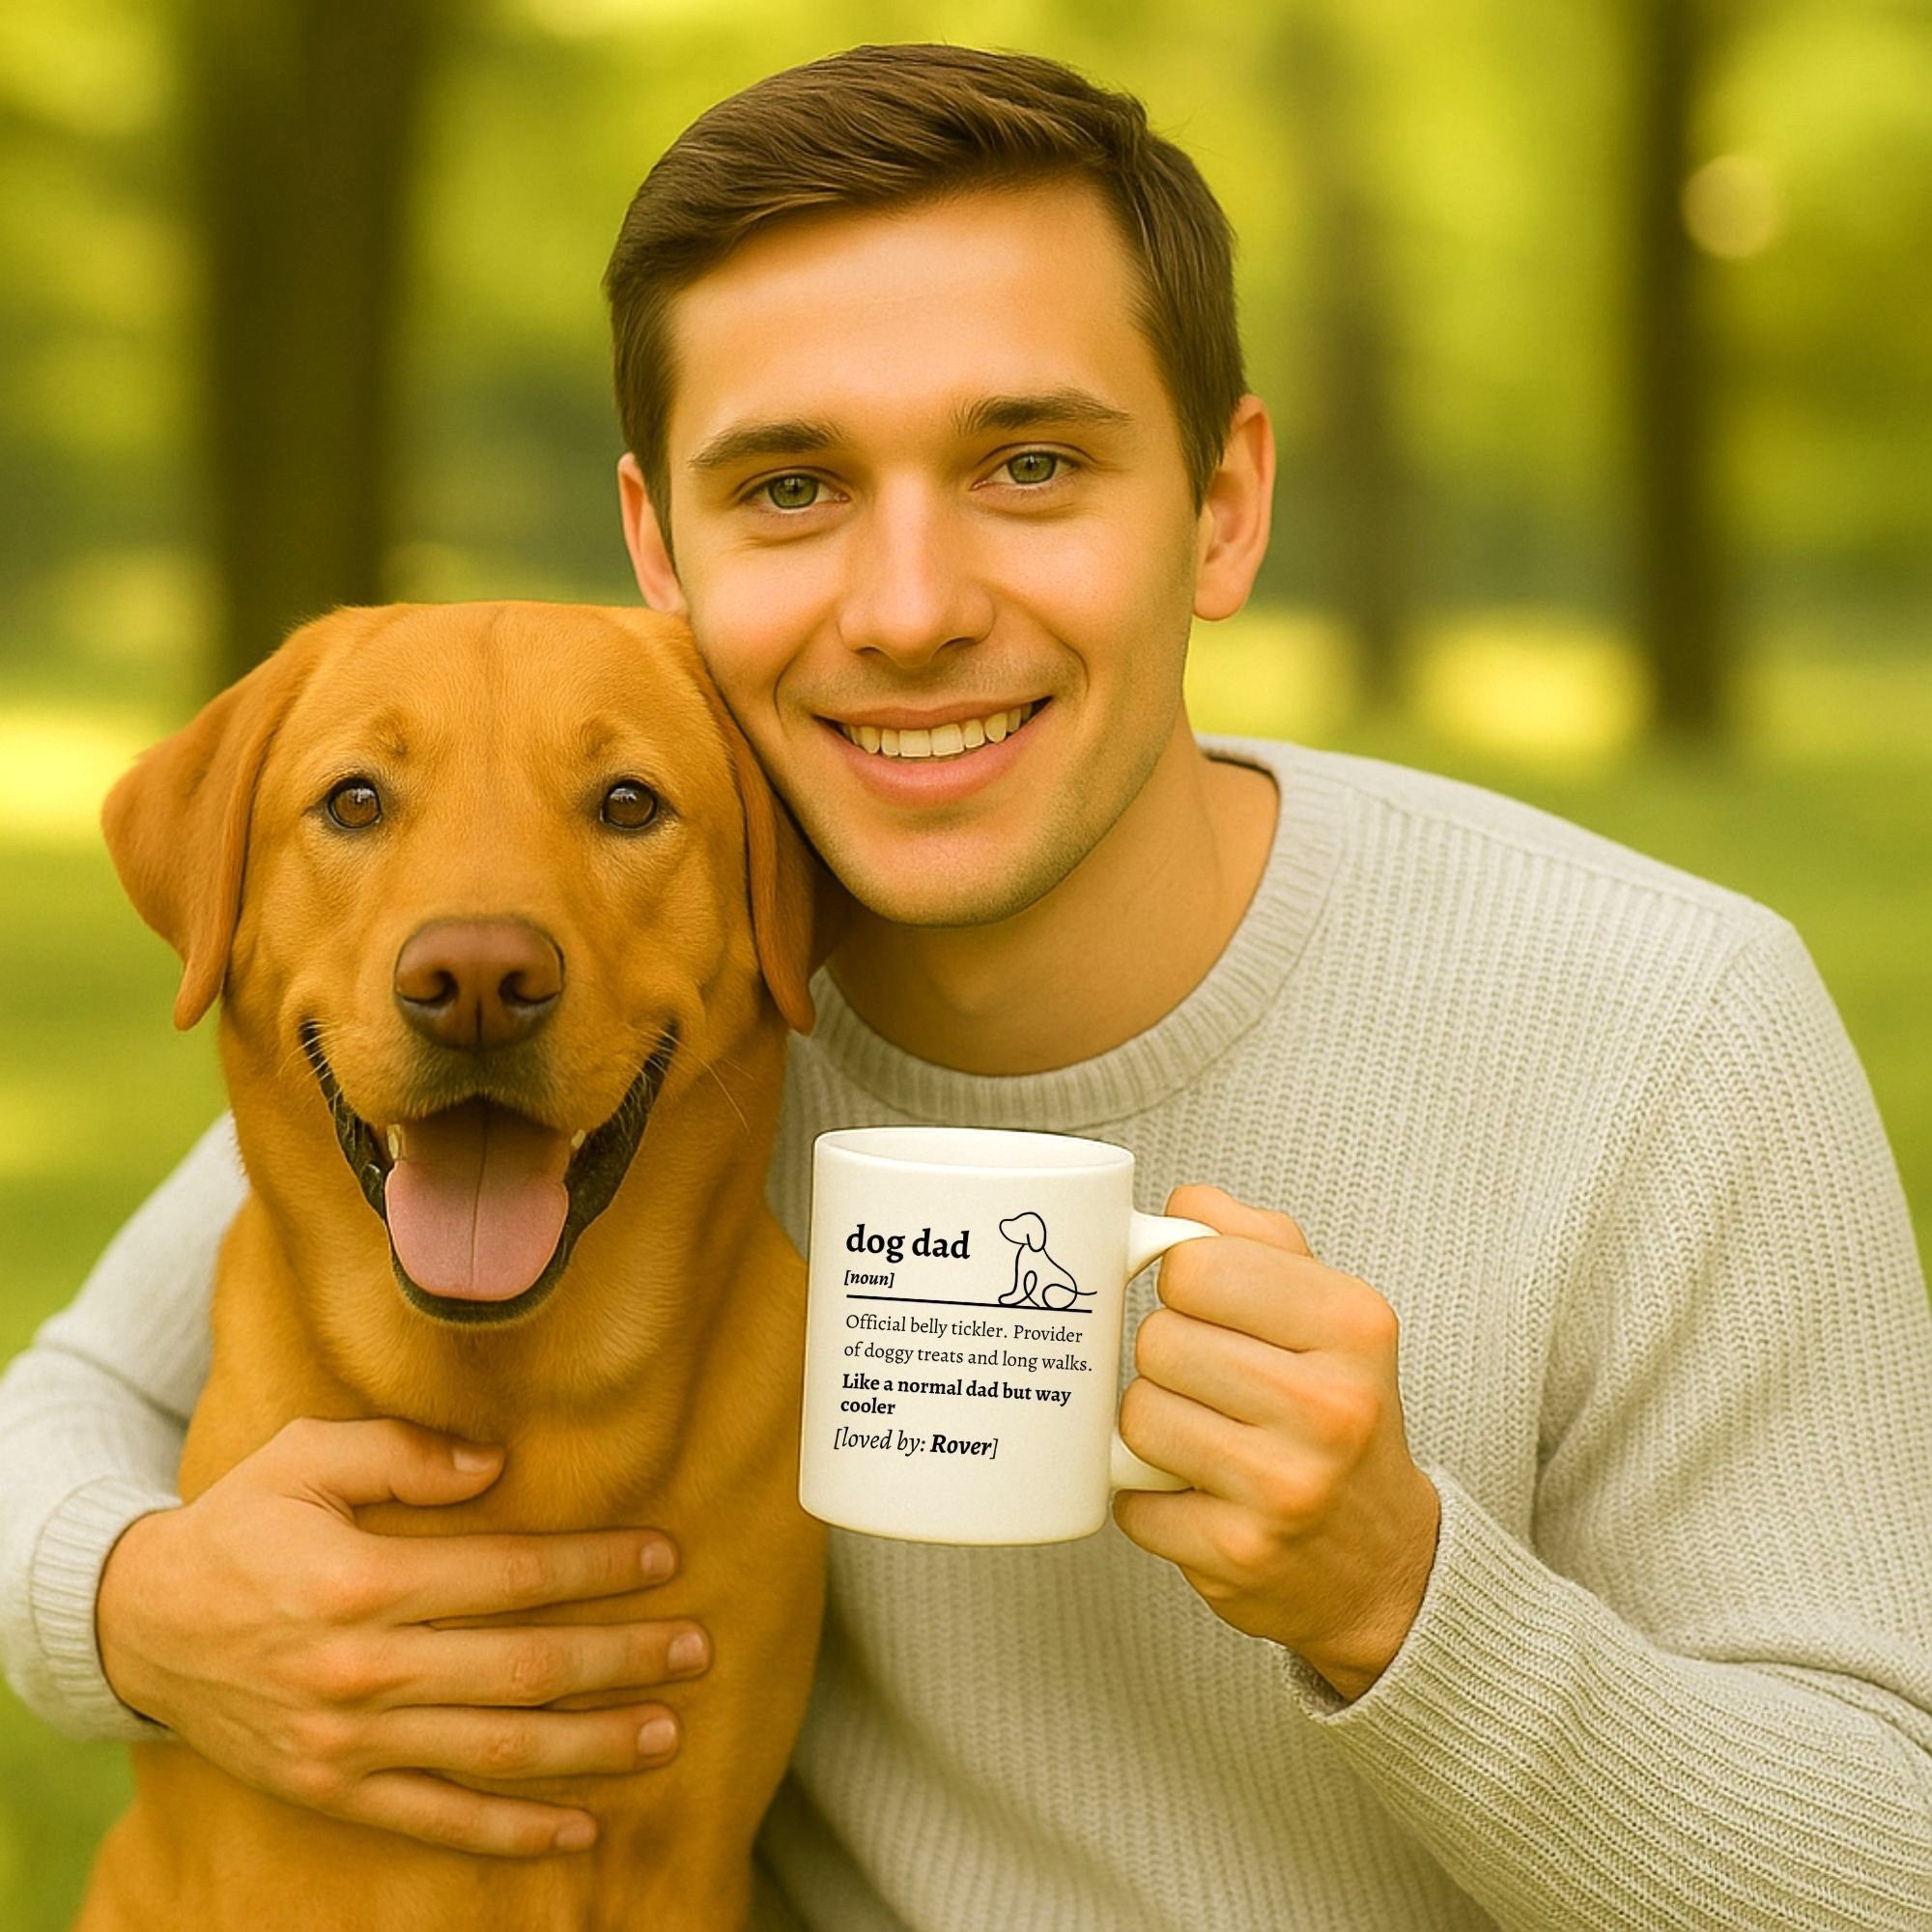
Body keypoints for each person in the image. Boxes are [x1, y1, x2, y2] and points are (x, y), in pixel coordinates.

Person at [4, 42, 1930, 1932]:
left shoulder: (1662, 1029)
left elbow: (1886, 1869)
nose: (911, 602)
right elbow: (65, 1413)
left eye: (1028, 462)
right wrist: (138, 1606)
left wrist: (1399, 1590)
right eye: (789, 486)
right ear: (657, 555)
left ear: (1224, 504)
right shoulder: (640, 1015)